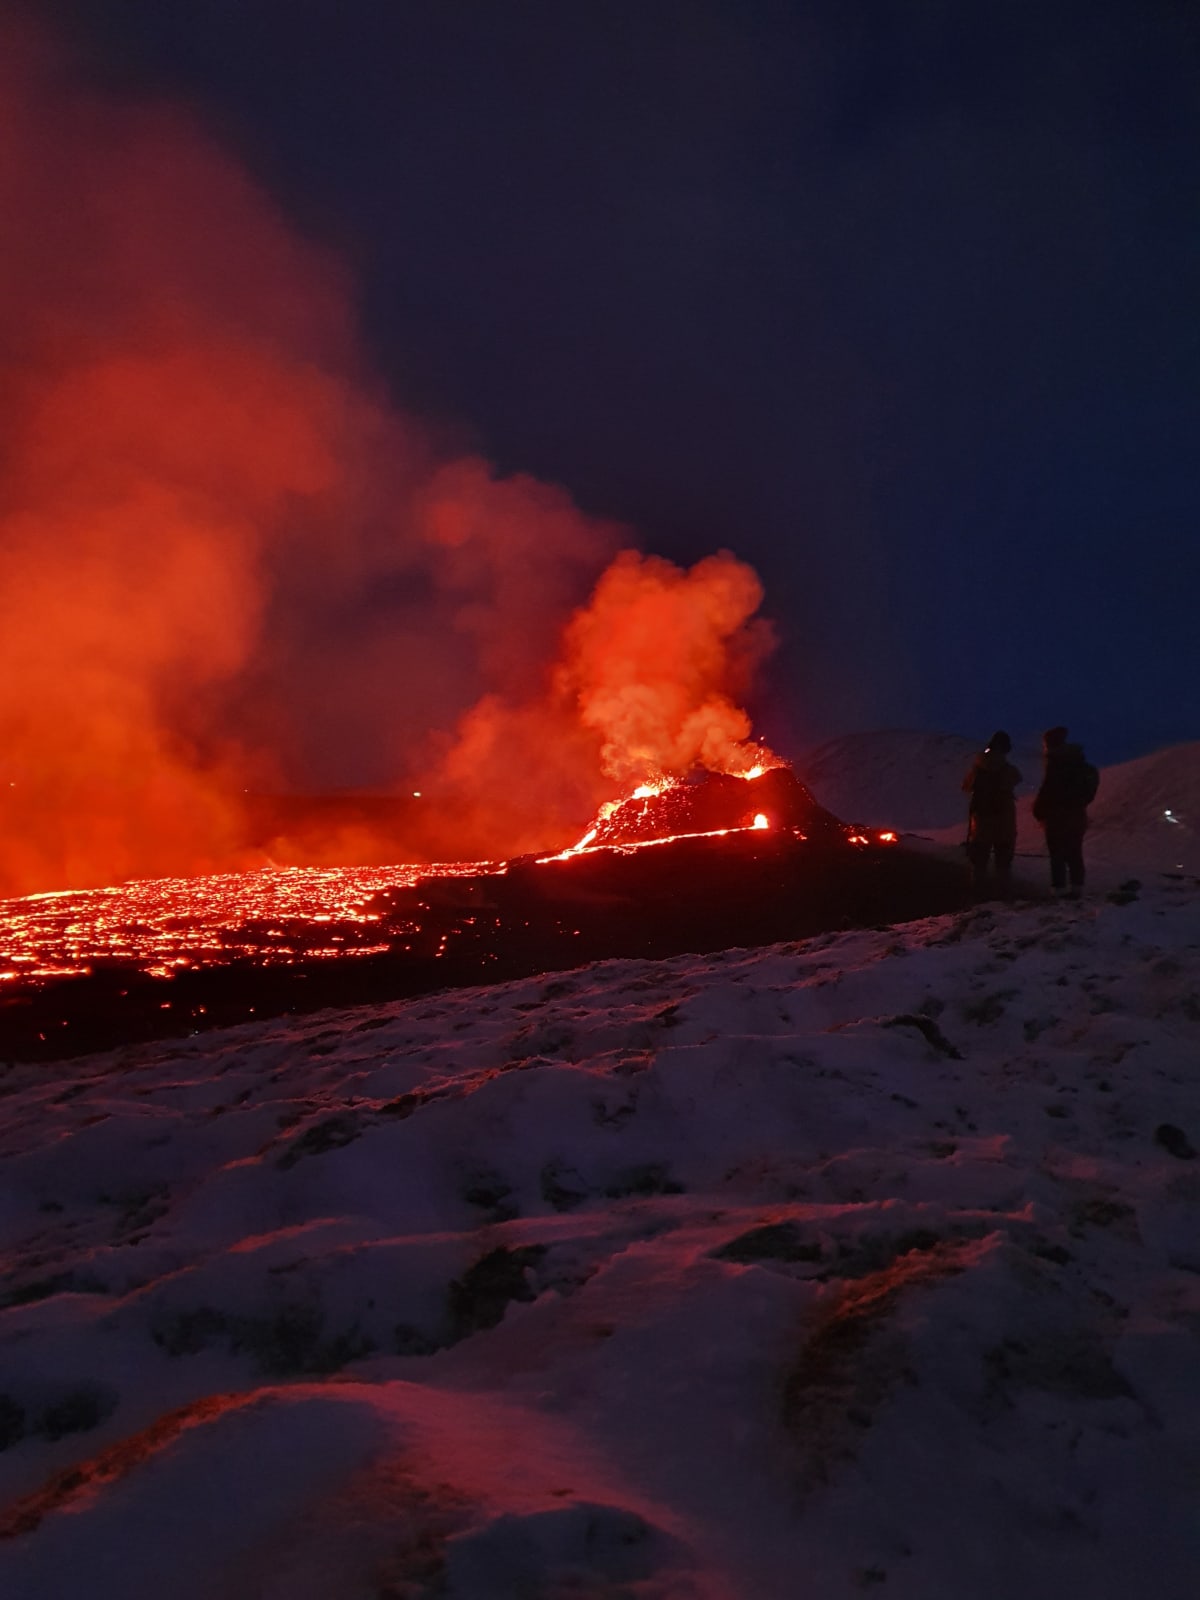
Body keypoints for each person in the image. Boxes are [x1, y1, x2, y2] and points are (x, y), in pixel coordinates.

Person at [1032, 725, 1099, 897]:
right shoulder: (1078, 763)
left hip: (1056, 816)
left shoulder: (1056, 763)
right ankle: (1077, 887)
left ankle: (1059, 889)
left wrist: (1038, 811)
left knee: (1057, 854)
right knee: (1074, 851)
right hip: (1076, 815)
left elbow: (1048, 790)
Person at [961, 730, 1022, 897]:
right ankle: (1003, 898)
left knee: (979, 863)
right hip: (1004, 824)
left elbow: (965, 786)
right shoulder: (1009, 770)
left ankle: (978, 897)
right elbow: (1017, 778)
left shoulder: (977, 768)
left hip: (981, 823)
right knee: (1003, 864)